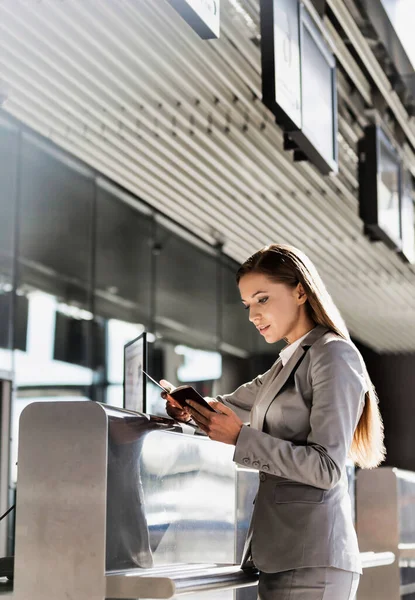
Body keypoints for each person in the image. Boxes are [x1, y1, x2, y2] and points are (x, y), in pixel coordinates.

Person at [161, 244, 385, 600]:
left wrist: (242, 439)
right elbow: (225, 406)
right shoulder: (285, 364)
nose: (253, 314)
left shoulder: (333, 355)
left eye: (263, 299)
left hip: (313, 558)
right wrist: (187, 409)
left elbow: (327, 468)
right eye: (248, 304)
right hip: (284, 555)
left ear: (300, 291)